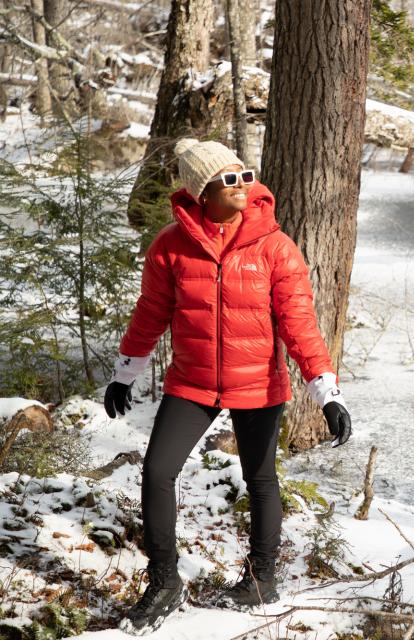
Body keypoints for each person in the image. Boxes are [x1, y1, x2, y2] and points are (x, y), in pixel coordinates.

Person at [104, 138, 352, 635]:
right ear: (203, 192)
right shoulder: (170, 247)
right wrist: (125, 371)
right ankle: (164, 581)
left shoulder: (275, 246)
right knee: (157, 471)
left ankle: (262, 579)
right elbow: (151, 313)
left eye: (246, 174)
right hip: (192, 382)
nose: (245, 186)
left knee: (260, 480)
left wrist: (326, 392)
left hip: (258, 383)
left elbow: (299, 324)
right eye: (231, 179)